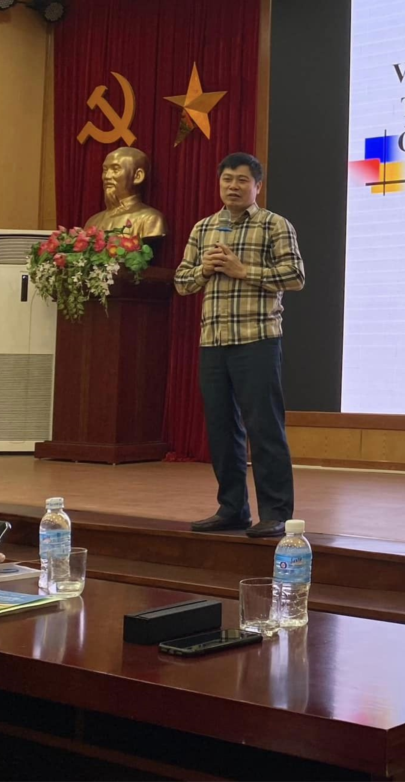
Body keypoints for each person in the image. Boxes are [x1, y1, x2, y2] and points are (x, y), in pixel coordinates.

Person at [174, 153, 305, 539]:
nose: (233, 186)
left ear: (257, 186)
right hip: (213, 341)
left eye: (242, 180)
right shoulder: (204, 228)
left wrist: (243, 270)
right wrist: (205, 269)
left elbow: (296, 276)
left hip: (257, 339)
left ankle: (276, 513)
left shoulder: (274, 225)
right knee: (221, 430)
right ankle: (232, 509)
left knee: (264, 429)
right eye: (227, 179)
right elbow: (182, 282)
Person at [84, 146, 168, 240]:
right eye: (105, 170)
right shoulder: (93, 222)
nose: (107, 176)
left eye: (115, 169)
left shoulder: (150, 219)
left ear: (138, 176)